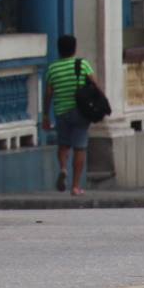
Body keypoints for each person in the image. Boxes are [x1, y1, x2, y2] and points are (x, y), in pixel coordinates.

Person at [43, 35, 96, 197]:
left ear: (59, 50)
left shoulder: (53, 69)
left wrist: (45, 114)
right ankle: (75, 187)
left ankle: (63, 168)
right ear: (74, 48)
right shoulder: (83, 64)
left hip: (61, 112)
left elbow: (48, 93)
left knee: (63, 144)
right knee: (80, 147)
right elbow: (94, 85)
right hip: (80, 112)